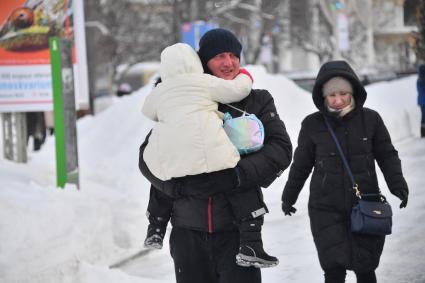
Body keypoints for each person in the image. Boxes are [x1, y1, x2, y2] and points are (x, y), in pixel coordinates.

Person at [139, 28, 292, 282]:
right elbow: (148, 157)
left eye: (234, 55)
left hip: (236, 231)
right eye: (220, 56)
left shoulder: (258, 101)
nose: (229, 62)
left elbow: (280, 150)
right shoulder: (182, 100)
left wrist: (235, 176)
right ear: (204, 61)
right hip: (188, 232)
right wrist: (175, 187)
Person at [281, 60, 409, 283]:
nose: (338, 100)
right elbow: (301, 164)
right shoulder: (312, 125)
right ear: (323, 97)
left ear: (353, 92)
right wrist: (288, 197)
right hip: (325, 208)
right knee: (333, 268)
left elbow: (387, 155)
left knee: (365, 267)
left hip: (365, 204)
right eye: (332, 95)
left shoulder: (371, 120)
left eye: (343, 93)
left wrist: (398, 185)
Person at [416, 64, 425, 137]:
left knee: (423, 117)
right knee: (424, 117)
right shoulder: (421, 81)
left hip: (421, 101)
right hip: (423, 102)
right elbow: (422, 91)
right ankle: (423, 133)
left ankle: (423, 132)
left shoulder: (419, 80)